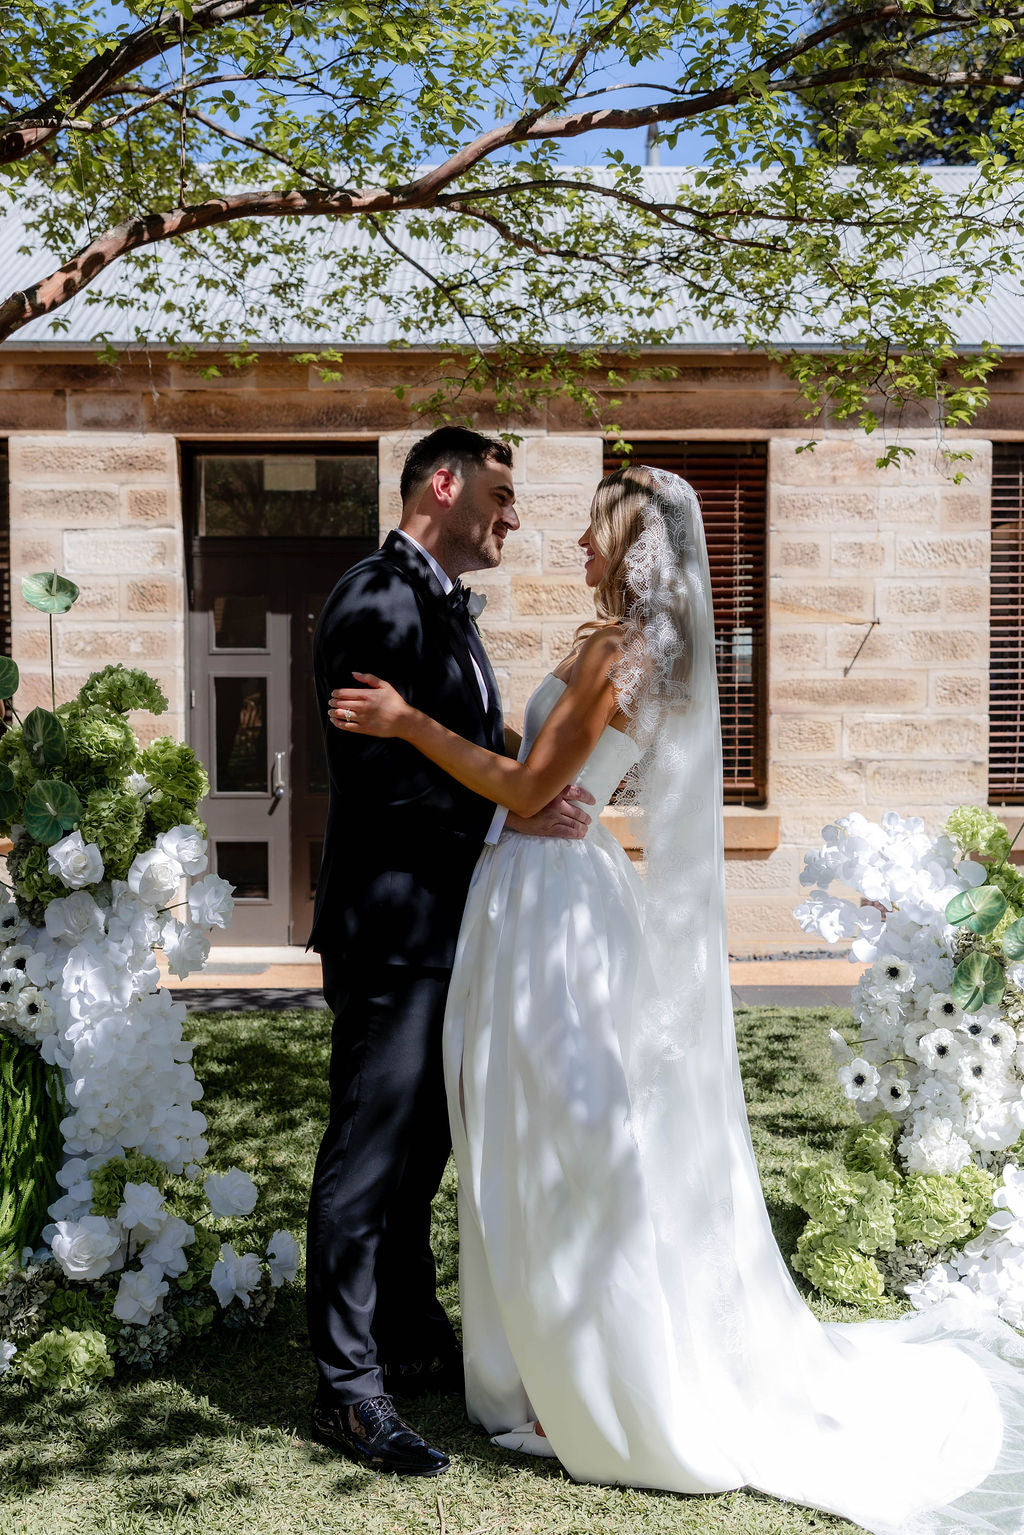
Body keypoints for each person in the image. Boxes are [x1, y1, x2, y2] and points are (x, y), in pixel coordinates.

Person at [330, 462, 1024, 1535]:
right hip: (537, 882)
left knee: (568, 1128)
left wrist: (405, 721)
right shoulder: (611, 641)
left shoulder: (620, 649)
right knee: (536, 1125)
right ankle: (548, 1354)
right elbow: (542, 774)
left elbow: (524, 790)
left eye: (591, 530)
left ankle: (599, 1372)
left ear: (630, 541)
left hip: (555, 903)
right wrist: (525, 779)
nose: (573, 544)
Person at [306, 426, 595, 1478]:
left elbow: (466, 746)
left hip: (446, 927)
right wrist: (509, 818)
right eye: (503, 492)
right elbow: (378, 778)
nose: (514, 516)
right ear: (445, 483)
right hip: (392, 926)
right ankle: (348, 1391)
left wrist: (534, 779)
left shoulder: (441, 606)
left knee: (421, 1150)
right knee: (368, 1156)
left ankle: (407, 1329)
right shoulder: (377, 596)